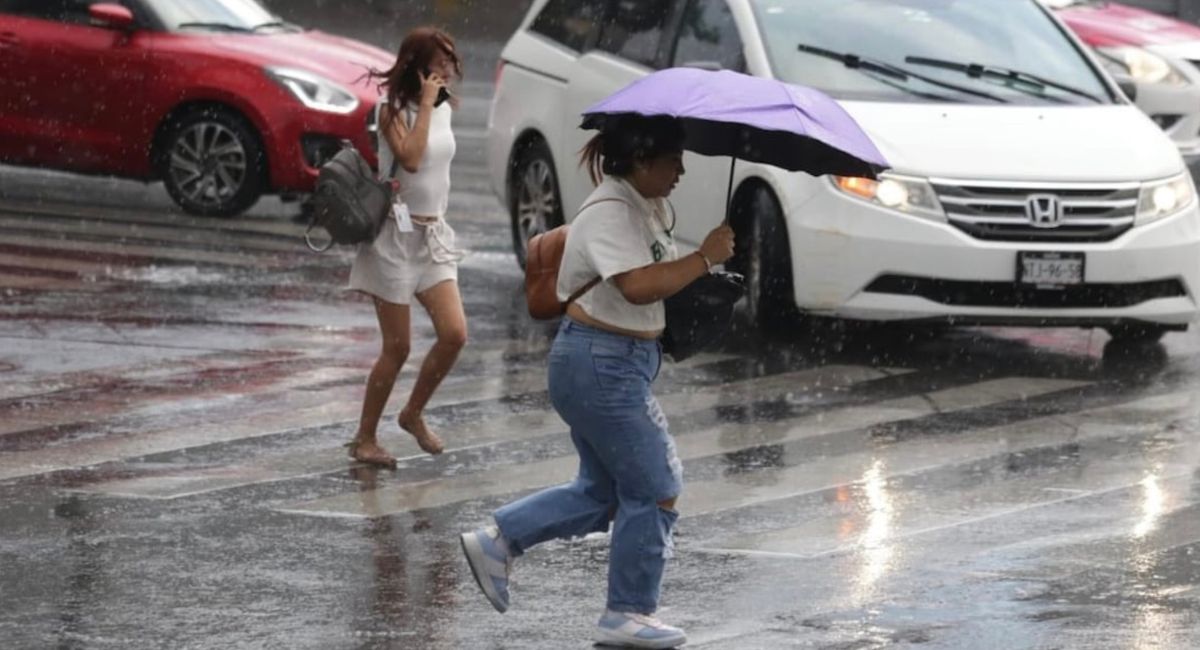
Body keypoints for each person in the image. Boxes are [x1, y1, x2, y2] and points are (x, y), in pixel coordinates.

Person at [460, 115, 735, 649]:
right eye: (672, 159)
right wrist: (703, 259)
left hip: (615, 363)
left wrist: (704, 272)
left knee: (605, 490)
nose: (682, 169)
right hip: (601, 364)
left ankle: (499, 540)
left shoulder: (645, 205)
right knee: (657, 486)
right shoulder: (611, 211)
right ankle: (627, 612)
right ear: (639, 160)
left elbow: (653, 279)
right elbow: (636, 286)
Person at [346, 27, 467, 468]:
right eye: (441, 63)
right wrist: (426, 109)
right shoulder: (391, 111)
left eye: (451, 62)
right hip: (393, 240)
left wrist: (436, 107)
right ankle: (364, 439)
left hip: (433, 237)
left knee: (455, 334)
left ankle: (413, 412)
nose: (449, 70)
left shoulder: (444, 109)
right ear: (418, 68)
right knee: (397, 347)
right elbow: (412, 159)